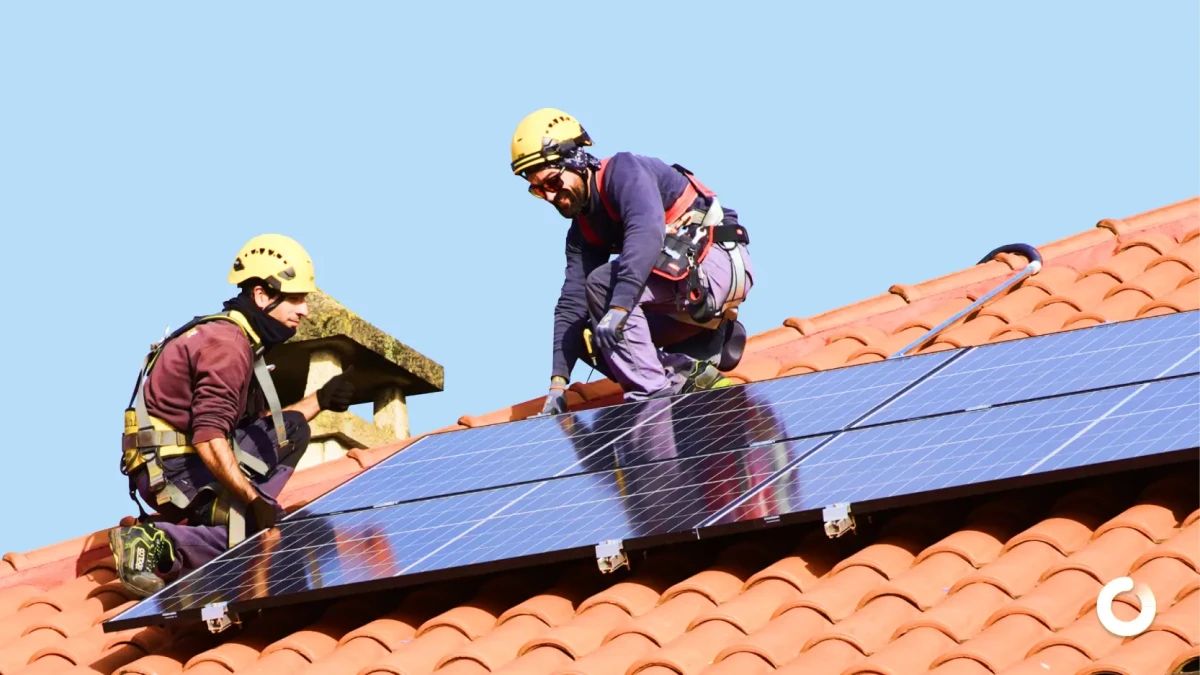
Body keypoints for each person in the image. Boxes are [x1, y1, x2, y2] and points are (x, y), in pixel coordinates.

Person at [108, 234, 356, 597]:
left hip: (177, 465)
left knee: (293, 433)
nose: (304, 310)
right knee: (258, 534)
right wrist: (253, 502)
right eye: (296, 298)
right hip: (175, 473)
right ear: (261, 295)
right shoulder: (227, 346)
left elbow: (264, 431)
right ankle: (158, 541)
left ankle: (225, 526)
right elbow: (208, 437)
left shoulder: (235, 339)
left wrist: (321, 398)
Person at [510, 108, 754, 415]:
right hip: (679, 290)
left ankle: (652, 396)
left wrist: (619, 308)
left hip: (717, 264)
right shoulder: (582, 231)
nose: (548, 196)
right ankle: (689, 368)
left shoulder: (624, 172)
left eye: (553, 182)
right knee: (590, 336)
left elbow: (647, 233)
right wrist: (558, 383)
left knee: (603, 288)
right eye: (537, 189)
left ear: (577, 160)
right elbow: (571, 302)